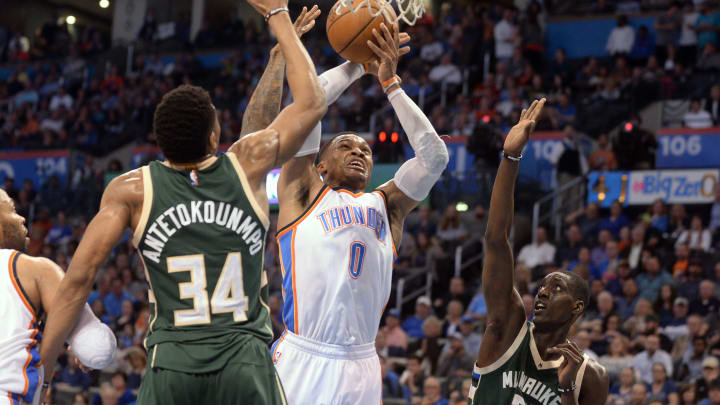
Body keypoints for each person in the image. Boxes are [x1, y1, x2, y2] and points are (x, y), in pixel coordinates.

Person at [40, 2, 327, 403]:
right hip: (244, 361)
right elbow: (312, 102)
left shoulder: (131, 190)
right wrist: (279, 16)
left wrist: (46, 367)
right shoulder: (245, 166)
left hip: (172, 364)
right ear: (214, 136)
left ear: (162, 142)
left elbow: (76, 282)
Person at [266, 22, 448, 405]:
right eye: (346, 146)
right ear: (321, 165)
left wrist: (391, 84)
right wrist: (355, 65)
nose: (359, 152)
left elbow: (435, 158)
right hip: (304, 354)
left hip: (362, 362)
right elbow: (308, 104)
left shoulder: (387, 205)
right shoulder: (302, 191)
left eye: (365, 151)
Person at [467, 99, 609, 405]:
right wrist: (510, 157)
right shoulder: (507, 327)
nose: (542, 292)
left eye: (556, 289)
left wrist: (567, 390)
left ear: (576, 307)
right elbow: (496, 239)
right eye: (543, 286)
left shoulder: (591, 375)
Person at [0, 189, 116, 404]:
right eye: (13, 210)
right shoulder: (33, 269)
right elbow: (97, 349)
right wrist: (78, 341)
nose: (22, 218)